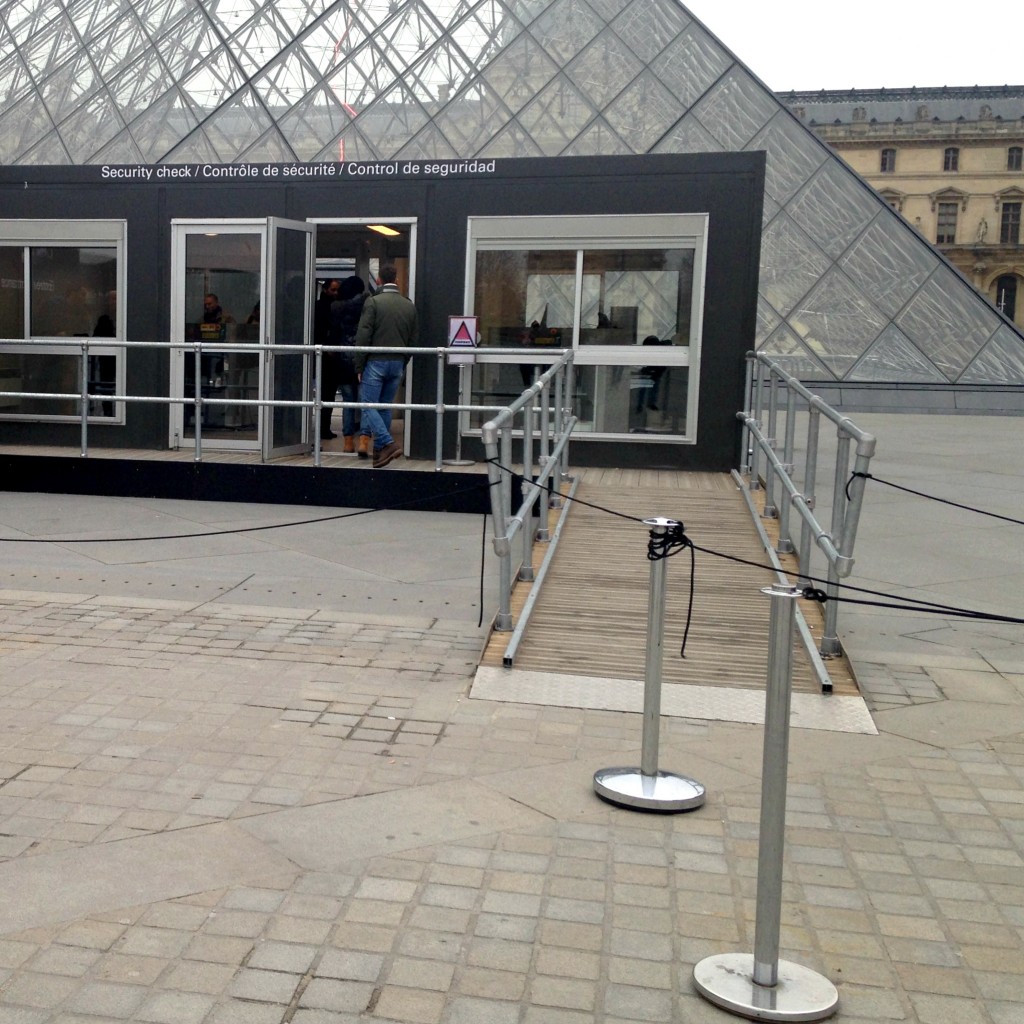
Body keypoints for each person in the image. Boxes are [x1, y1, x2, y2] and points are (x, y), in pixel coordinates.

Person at [354, 264, 417, 468]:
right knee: (384, 407)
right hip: (397, 362)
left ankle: (387, 443)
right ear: (396, 280)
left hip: (375, 361)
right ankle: (380, 453)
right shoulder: (408, 305)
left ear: (379, 280)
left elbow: (363, 335)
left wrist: (359, 365)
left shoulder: (373, 302)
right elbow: (413, 339)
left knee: (368, 404)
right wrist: (403, 360)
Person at [329, 276, 365, 453]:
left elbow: (333, 334)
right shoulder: (368, 306)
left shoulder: (337, 308)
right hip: (363, 360)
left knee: (348, 401)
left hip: (343, 360)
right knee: (365, 402)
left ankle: (348, 442)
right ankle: (364, 441)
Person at [314, 279, 342, 439]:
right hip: (326, 356)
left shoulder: (318, 307)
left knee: (327, 394)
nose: (335, 293)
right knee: (327, 393)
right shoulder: (329, 308)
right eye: (333, 289)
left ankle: (324, 428)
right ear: (325, 289)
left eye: (337, 290)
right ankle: (324, 429)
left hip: (322, 354)